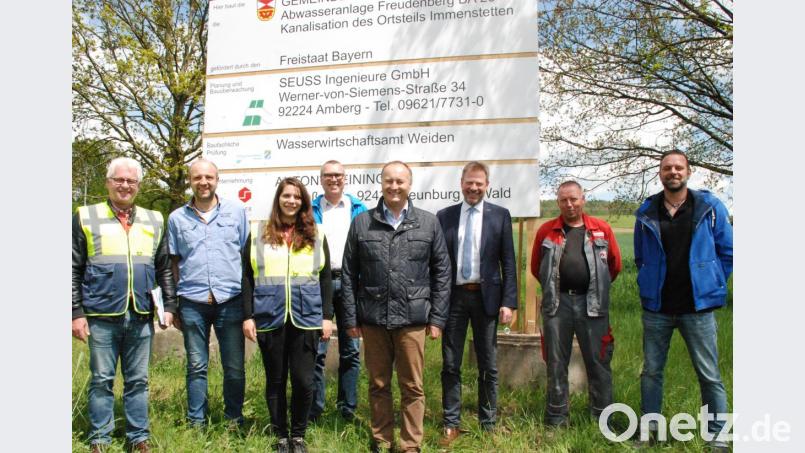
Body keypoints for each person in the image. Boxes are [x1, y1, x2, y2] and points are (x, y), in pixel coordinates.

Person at [341, 161, 451, 453]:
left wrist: (437, 318)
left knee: (412, 386)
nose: (394, 187)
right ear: (381, 184)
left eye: (400, 181)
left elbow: (442, 272)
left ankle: (410, 444)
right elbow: (349, 274)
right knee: (378, 384)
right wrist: (351, 318)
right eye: (389, 181)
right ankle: (382, 438)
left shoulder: (428, 223)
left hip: (412, 320)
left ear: (409, 185)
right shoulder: (362, 223)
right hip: (373, 320)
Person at [72, 157, 177, 453]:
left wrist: (169, 305)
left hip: (141, 314)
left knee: (138, 381)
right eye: (119, 179)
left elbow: (164, 267)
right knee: (102, 380)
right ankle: (100, 438)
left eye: (131, 181)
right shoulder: (85, 216)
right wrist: (75, 312)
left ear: (138, 186)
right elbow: (72, 267)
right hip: (101, 314)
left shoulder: (155, 219)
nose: (125, 185)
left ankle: (138, 437)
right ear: (108, 183)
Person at [634, 150, 733, 451]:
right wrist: (648, 283)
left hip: (697, 309)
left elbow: (728, 252)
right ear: (660, 173)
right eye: (667, 168)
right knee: (651, 372)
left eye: (678, 167)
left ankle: (717, 436)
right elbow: (641, 258)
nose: (673, 172)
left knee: (709, 374)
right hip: (658, 308)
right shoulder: (647, 210)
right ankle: (650, 432)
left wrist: (711, 282)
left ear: (688, 172)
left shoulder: (710, 207)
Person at [242, 178, 333, 453]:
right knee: (276, 380)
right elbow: (247, 276)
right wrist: (248, 316)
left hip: (307, 317)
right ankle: (281, 436)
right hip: (270, 315)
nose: (291, 201)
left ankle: (298, 436)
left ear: (303, 201)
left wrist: (327, 316)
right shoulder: (257, 231)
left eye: (296, 196)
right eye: (286, 196)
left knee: (305, 381)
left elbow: (326, 277)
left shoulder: (317, 233)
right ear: (278, 199)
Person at [435, 161, 517, 445]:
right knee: (450, 364)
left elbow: (508, 261)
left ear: (487, 185)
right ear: (461, 183)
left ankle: (488, 421)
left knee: (489, 364)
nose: (473, 188)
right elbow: (438, 264)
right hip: (454, 298)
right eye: (469, 182)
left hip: (488, 299)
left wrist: (509, 302)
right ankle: (451, 421)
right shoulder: (444, 216)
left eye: (479, 183)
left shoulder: (500, 216)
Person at [530, 180, 622, 428]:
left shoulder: (601, 229)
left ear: (583, 199)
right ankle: (557, 419)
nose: (569, 204)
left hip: (593, 305)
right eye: (563, 200)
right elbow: (537, 267)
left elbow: (613, 266)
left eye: (573, 199)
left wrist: (594, 288)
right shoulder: (546, 231)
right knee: (556, 362)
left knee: (598, 362)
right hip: (557, 305)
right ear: (558, 202)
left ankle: (604, 420)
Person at [167, 159, 249, 427]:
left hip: (231, 300)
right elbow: (174, 262)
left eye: (209, 177)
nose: (203, 182)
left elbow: (246, 258)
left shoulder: (236, 212)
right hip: (192, 302)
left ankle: (234, 420)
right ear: (190, 180)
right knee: (196, 366)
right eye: (197, 177)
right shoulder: (177, 218)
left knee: (234, 368)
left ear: (217, 179)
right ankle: (196, 423)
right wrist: (175, 303)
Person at [309, 160, 367, 422]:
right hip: (320, 283)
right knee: (318, 350)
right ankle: (316, 408)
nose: (334, 179)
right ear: (320, 179)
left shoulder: (358, 209)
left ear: (345, 179)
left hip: (351, 283)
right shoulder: (309, 210)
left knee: (351, 349)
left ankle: (347, 408)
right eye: (328, 175)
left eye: (338, 175)